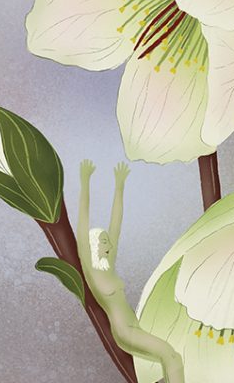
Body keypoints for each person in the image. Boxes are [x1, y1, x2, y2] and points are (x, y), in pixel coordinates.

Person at [77, 160, 184, 383]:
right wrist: (85, 181)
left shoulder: (109, 266)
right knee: (172, 357)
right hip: (125, 331)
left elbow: (116, 222)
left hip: (134, 327)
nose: (109, 242)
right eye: (104, 240)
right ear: (94, 245)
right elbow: (83, 220)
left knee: (170, 362)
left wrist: (119, 186)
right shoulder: (92, 271)